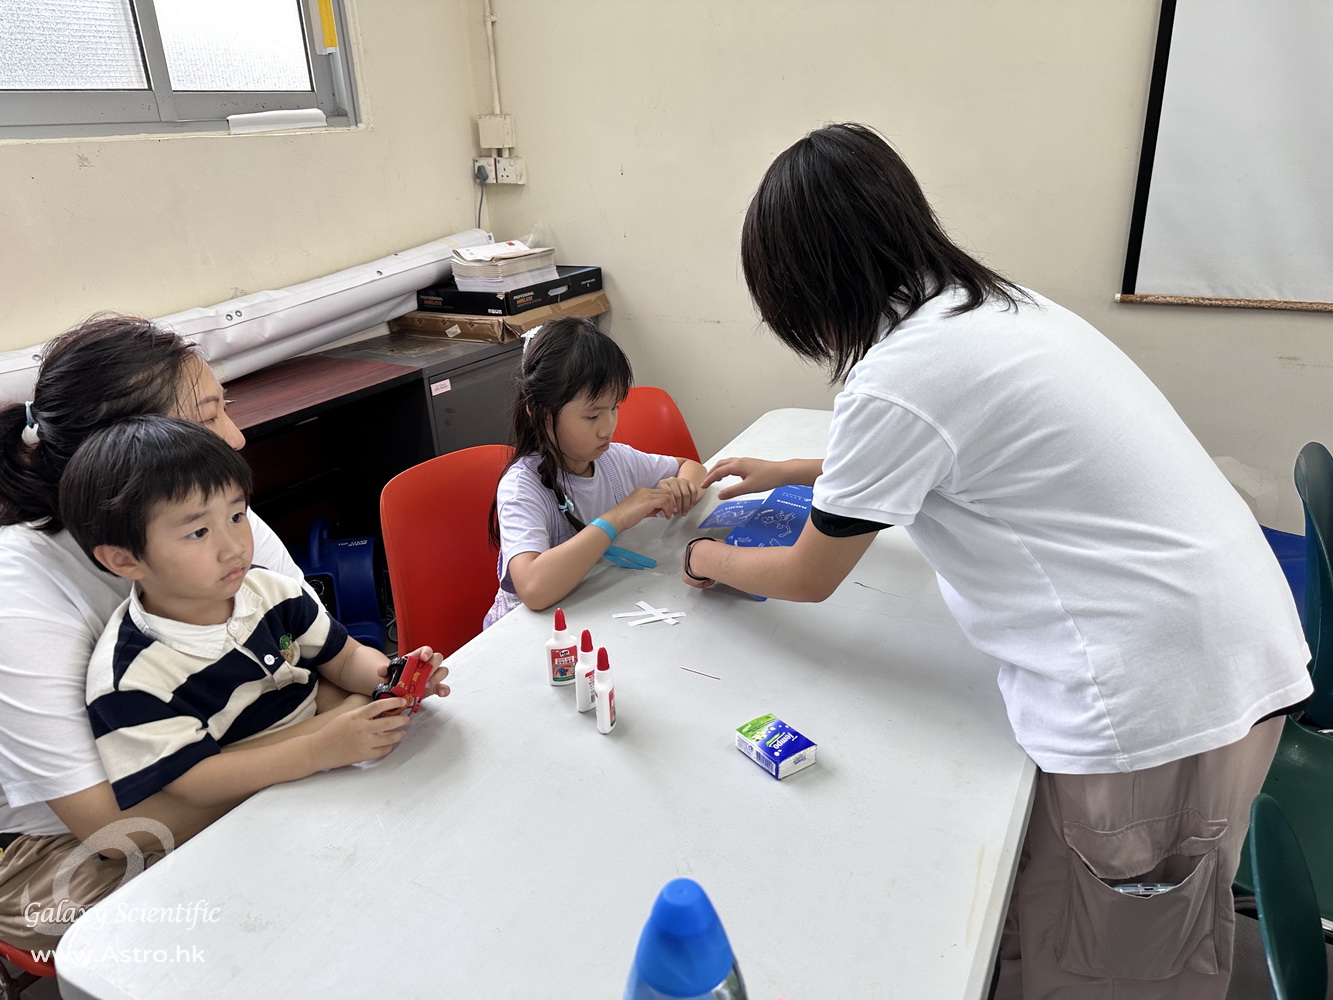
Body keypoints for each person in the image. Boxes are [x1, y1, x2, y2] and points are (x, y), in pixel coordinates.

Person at [683, 123, 1311, 1000]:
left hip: (1160, 701)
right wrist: (797, 469)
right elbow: (950, 445)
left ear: (808, 282)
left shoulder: (903, 373)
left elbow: (806, 575)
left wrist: (706, 557)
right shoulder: (986, 309)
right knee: (1092, 925)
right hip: (1219, 645)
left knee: (1115, 964)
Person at [0, 315, 410, 949]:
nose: (236, 438)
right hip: (65, 845)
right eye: (208, 416)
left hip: (229, 754)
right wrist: (319, 739)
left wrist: (344, 708)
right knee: (252, 930)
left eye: (226, 409)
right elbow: (119, 831)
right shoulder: (20, 591)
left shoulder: (213, 516)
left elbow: (326, 656)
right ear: (127, 452)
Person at [59, 416, 447, 812]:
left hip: (337, 776)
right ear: (124, 559)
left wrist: (391, 680)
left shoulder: (269, 590)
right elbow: (190, 782)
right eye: (198, 532)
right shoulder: (129, 679)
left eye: (236, 516)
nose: (234, 548)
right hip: (252, 810)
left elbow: (345, 657)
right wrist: (315, 751)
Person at [485, 317, 707, 625]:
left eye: (614, 408)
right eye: (592, 416)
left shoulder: (613, 460)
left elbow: (691, 467)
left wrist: (681, 487)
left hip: (591, 615)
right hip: (531, 635)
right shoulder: (523, 486)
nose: (608, 428)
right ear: (541, 414)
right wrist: (616, 518)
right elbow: (533, 589)